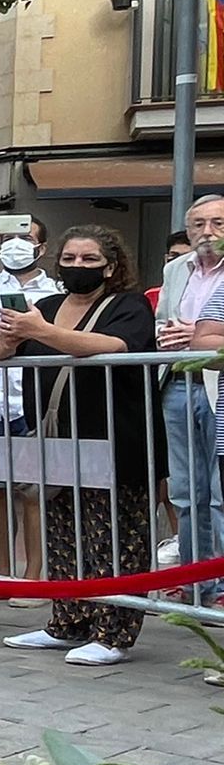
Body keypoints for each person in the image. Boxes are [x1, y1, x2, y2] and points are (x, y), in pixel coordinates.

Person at [0, 226, 157, 665]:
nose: (78, 267)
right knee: (64, 531)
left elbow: (109, 345)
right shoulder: (44, 307)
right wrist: (10, 335)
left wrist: (38, 331)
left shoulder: (128, 305)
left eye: (89, 259)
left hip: (116, 439)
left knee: (113, 537)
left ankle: (113, 632)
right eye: (69, 259)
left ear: (111, 265)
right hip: (57, 439)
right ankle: (67, 622)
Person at [0, 217, 62, 605]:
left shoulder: (55, 291)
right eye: (9, 238)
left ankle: (33, 576)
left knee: (33, 491)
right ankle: (3, 573)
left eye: (24, 238)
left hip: (32, 400)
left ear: (40, 248)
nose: (15, 245)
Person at [155, 197, 224, 608]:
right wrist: (169, 337)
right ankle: (195, 581)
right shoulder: (175, 269)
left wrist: (197, 338)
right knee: (185, 491)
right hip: (179, 381)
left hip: (221, 382)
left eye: (217, 222)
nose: (207, 232)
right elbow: (164, 319)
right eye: (198, 224)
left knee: (220, 493)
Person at [148, 231, 193, 313]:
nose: (179, 263)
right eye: (174, 256)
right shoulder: (152, 296)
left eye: (185, 257)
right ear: (166, 259)